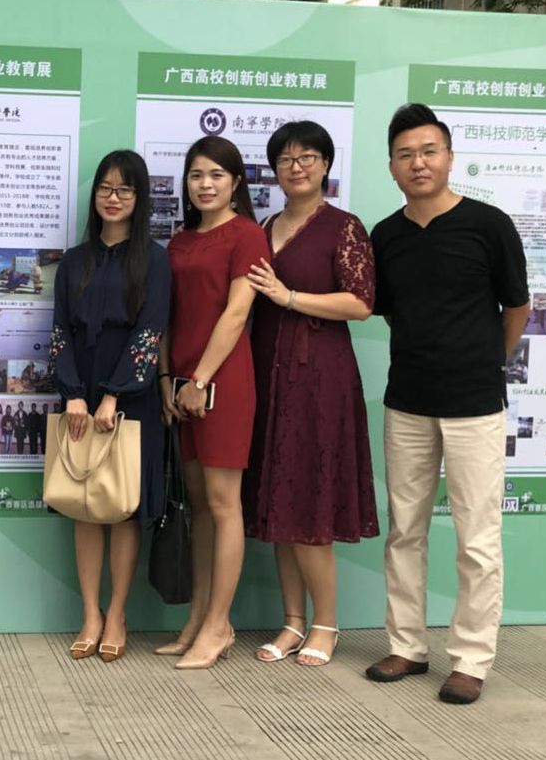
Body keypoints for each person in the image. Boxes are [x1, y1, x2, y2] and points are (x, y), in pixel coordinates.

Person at [365, 104, 529, 705]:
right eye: (406, 154)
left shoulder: (489, 224)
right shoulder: (386, 235)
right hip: (407, 400)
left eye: (429, 151)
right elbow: (387, 309)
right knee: (404, 530)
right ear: (391, 166)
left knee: (476, 538)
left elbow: (517, 307)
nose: (419, 163)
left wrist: (485, 361)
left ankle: (471, 659)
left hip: (475, 403)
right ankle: (407, 645)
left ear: (450, 157)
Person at [241, 121, 379, 668]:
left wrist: (290, 296)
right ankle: (293, 621)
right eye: (285, 159)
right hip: (268, 371)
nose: (295, 167)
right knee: (280, 499)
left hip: (320, 375)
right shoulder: (265, 225)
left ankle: (326, 624)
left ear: (325, 165)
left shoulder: (344, 227)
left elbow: (361, 303)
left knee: (310, 501)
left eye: (307, 157)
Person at [51, 149, 170, 664]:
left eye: (124, 189)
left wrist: (116, 394)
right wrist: (74, 393)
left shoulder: (155, 260)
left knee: (122, 508)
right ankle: (90, 614)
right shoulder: (74, 260)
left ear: (139, 198)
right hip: (79, 397)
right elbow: (59, 330)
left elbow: (150, 331)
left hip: (131, 399)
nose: (113, 197)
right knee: (84, 505)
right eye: (105, 187)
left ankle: (118, 613)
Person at [159, 136, 266, 670]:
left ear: (236, 183)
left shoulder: (247, 235)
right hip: (181, 387)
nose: (205, 184)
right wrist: (167, 381)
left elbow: (236, 314)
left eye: (217, 175)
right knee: (199, 506)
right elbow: (168, 317)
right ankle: (197, 619)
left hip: (222, 383)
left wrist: (199, 379)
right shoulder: (178, 242)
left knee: (225, 506)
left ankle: (220, 625)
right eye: (197, 175)